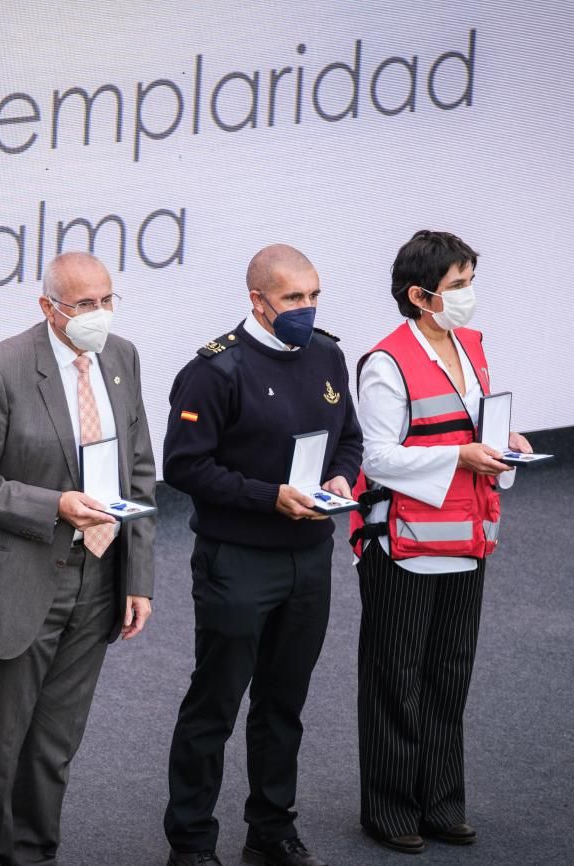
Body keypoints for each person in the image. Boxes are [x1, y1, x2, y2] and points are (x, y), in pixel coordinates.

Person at [0, 251, 155, 866]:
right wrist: (54, 504)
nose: (99, 315)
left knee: (54, 744)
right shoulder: (0, 370)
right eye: (84, 305)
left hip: (100, 575)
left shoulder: (122, 358)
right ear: (47, 308)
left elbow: (139, 470)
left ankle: (34, 855)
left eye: (107, 300)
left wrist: (138, 576)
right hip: (21, 579)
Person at [162, 244, 362, 866]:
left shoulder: (328, 353)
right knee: (215, 703)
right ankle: (191, 843)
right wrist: (267, 497)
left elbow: (349, 439)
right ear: (258, 301)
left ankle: (271, 829)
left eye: (313, 296)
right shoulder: (216, 371)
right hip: (239, 561)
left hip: (310, 559)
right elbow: (183, 466)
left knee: (284, 703)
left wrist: (340, 482)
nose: (306, 308)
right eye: (292, 298)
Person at [348, 230, 530, 855]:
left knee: (450, 676)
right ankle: (390, 809)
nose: (469, 295)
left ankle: (442, 802)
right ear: (420, 296)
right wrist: (462, 455)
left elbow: (473, 424)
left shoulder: (471, 345)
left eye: (470, 281)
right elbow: (378, 458)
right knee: (395, 679)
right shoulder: (386, 362)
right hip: (404, 544)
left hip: (468, 537)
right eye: (457, 285)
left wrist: (509, 443)